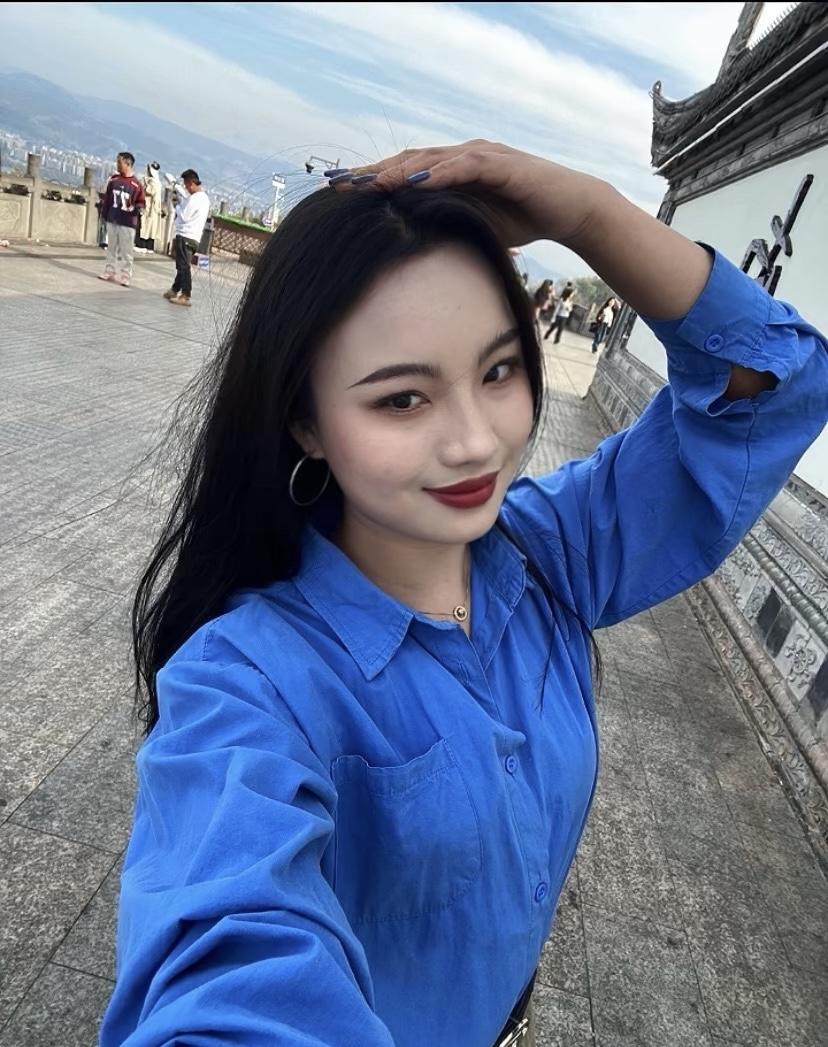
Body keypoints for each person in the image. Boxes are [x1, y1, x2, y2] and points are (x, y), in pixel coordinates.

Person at [100, 141, 827, 1047]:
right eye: (402, 399)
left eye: (498, 371)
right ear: (304, 420)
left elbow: (769, 388)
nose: (477, 442)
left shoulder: (548, 552)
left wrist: (587, 213)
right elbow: (226, 965)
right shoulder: (244, 682)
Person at [164, 168, 210, 307]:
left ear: (191, 183)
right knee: (183, 265)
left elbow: (184, 216)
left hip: (186, 236)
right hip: (194, 237)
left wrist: (176, 205)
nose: (186, 188)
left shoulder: (195, 199)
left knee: (183, 266)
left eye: (186, 185)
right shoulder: (204, 198)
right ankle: (174, 289)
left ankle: (186, 294)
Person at [98, 151, 144, 287]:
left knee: (126, 251)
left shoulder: (136, 185)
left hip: (127, 222)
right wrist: (104, 215)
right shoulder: (113, 180)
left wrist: (136, 209)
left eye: (120, 162)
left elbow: (141, 202)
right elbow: (107, 199)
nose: (117, 165)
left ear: (128, 164)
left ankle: (126, 275)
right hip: (113, 218)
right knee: (111, 247)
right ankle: (109, 270)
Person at [135, 161, 163, 253]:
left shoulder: (153, 182)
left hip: (150, 209)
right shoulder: (158, 182)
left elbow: (148, 191)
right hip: (153, 209)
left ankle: (142, 245)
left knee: (145, 227)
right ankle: (149, 247)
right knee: (151, 229)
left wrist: (144, 183)